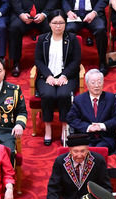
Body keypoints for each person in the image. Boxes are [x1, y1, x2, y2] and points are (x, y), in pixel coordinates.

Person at [33, 10, 81, 146]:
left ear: (66, 24)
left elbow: (76, 61)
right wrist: (48, 75)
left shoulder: (72, 39)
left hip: (67, 76)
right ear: (49, 23)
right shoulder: (43, 39)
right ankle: (48, 128)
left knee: (63, 94)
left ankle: (65, 127)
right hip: (46, 76)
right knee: (48, 94)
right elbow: (38, 60)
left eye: (61, 23)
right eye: (55, 23)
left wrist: (65, 75)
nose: (58, 26)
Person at [67, 69, 116, 155]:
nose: (97, 85)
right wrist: (88, 127)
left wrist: (102, 126)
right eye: (93, 83)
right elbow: (71, 118)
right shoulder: (79, 100)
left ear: (103, 83)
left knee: (98, 151)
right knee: (87, 150)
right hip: (85, 137)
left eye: (99, 82)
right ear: (87, 84)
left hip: (106, 138)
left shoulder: (110, 98)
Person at [9, 0, 55, 76]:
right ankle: (15, 62)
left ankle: (48, 61)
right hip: (23, 14)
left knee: (52, 27)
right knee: (14, 28)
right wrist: (21, 14)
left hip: (43, 14)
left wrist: (44, 14)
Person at [62, 0, 109, 74]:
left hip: (93, 13)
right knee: (69, 29)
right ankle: (70, 62)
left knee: (100, 29)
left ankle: (102, 61)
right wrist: (68, 11)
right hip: (74, 13)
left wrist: (94, 12)